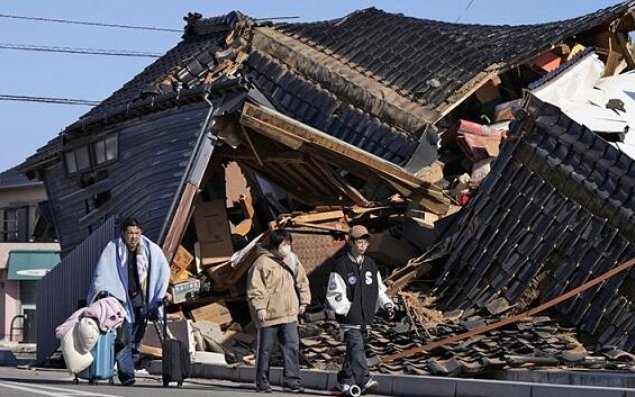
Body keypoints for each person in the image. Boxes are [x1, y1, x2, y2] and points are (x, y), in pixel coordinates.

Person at [87, 217, 170, 386]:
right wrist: (102, 291)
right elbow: (102, 272)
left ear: (141, 233)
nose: (134, 237)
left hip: (141, 300)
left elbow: (162, 271)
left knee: (136, 339)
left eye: (137, 233)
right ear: (124, 234)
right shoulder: (113, 248)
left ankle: (125, 368)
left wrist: (162, 292)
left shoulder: (150, 250)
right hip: (120, 301)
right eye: (130, 233)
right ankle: (127, 374)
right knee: (123, 337)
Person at [326, 225, 395, 395]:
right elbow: (335, 292)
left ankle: (343, 380)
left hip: (366, 318)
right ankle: (364, 380)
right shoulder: (341, 265)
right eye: (359, 240)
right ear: (351, 242)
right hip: (349, 319)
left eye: (365, 240)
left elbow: (379, 289)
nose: (363, 244)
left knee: (353, 352)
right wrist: (346, 309)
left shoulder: (371, 265)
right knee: (357, 348)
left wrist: (387, 305)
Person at [246, 229, 311, 393]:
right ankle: (262, 381)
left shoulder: (293, 259)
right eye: (284, 244)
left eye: (289, 244)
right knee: (266, 349)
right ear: (275, 246)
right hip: (269, 314)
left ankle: (292, 380)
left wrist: (304, 301)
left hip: (290, 313)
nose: (287, 247)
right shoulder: (261, 263)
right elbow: (255, 288)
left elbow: (302, 280)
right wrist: (260, 307)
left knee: (292, 347)